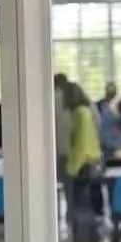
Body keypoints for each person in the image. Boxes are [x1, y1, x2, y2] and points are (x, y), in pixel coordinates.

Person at [65, 83, 103, 242]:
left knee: (81, 202)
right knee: (84, 202)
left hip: (84, 163)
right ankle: (91, 236)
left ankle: (84, 238)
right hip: (87, 161)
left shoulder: (81, 114)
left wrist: (73, 167)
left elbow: (82, 144)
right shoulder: (82, 112)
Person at [53, 74, 72, 208]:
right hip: (76, 150)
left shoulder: (53, 97)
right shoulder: (79, 98)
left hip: (61, 149)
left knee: (61, 184)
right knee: (73, 188)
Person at [97, 81, 120, 158]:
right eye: (109, 91)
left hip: (117, 137)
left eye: (113, 91)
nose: (111, 94)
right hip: (103, 137)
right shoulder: (100, 104)